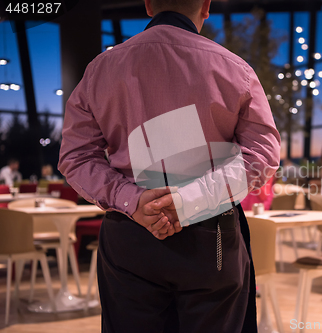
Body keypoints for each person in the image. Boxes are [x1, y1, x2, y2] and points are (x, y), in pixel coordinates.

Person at [58, 0, 281, 332]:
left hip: (130, 234)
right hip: (211, 237)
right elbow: (262, 155)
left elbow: (75, 157)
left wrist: (132, 200)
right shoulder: (234, 69)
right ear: (206, 7)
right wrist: (189, 202)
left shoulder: (101, 69)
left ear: (148, 5)